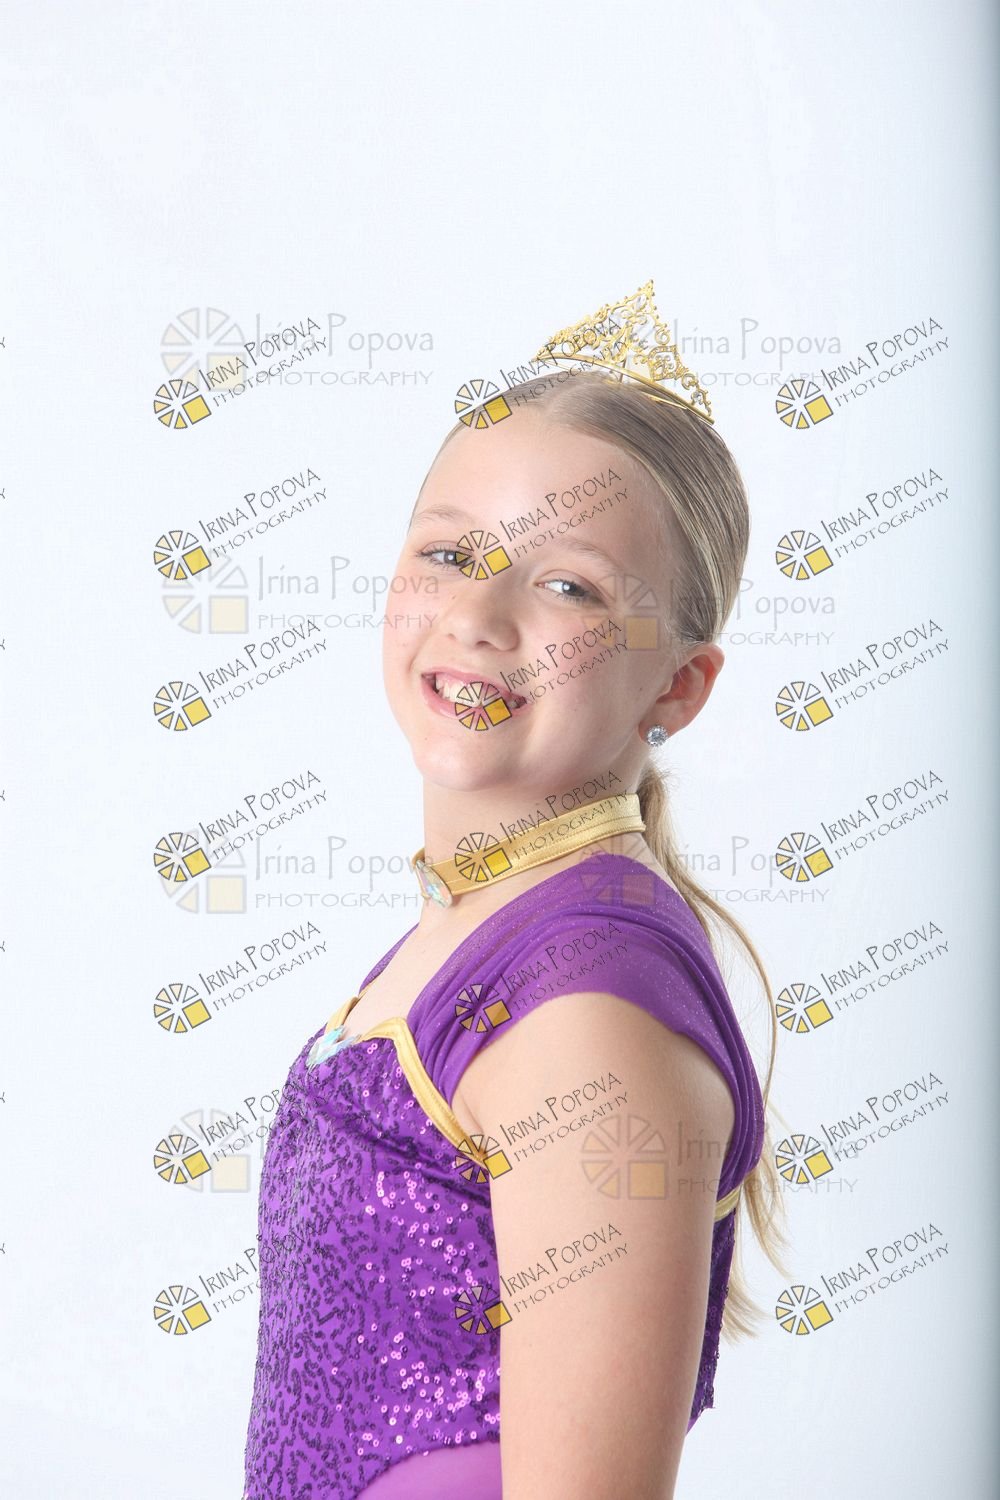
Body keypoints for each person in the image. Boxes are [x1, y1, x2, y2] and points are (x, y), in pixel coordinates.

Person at [243, 289, 789, 1500]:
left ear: (679, 686)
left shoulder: (585, 1017)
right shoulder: (478, 925)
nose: (477, 616)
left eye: (571, 589)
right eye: (448, 554)